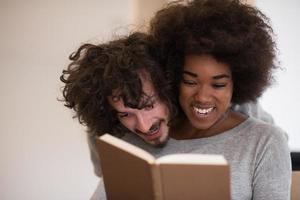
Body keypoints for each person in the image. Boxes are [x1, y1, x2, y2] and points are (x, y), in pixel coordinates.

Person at [145, 0, 291, 199]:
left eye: (218, 84)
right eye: (190, 81)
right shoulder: (150, 133)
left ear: (237, 83)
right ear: (174, 77)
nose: (203, 97)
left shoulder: (265, 142)